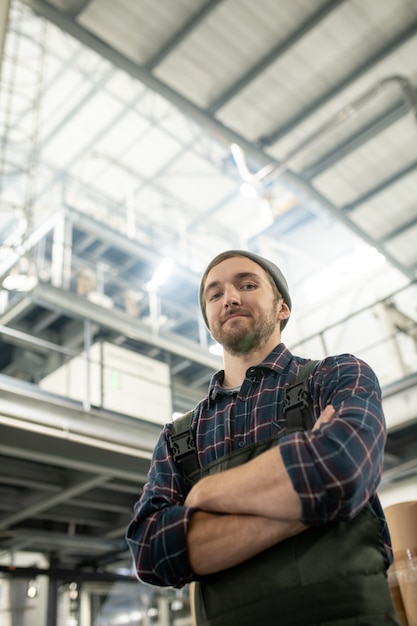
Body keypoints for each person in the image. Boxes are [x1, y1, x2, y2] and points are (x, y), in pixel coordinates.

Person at [126, 249, 399, 626]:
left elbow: (342, 469)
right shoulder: (179, 438)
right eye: (214, 294)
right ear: (208, 317)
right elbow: (151, 551)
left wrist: (204, 496)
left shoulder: (336, 376)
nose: (230, 298)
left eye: (247, 285)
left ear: (282, 307)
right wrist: (312, 502)